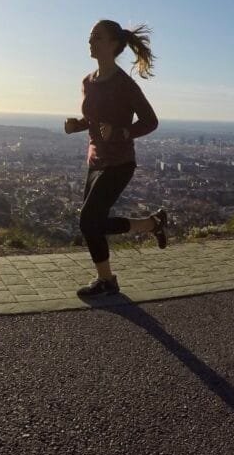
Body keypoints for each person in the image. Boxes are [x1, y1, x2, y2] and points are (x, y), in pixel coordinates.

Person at [63, 19, 167, 298]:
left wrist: (121, 132)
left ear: (113, 45)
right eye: (90, 37)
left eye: (96, 37)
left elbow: (150, 121)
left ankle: (107, 280)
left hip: (120, 163)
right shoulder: (88, 81)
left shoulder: (125, 85)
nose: (90, 42)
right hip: (94, 161)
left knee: (88, 221)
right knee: (93, 223)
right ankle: (150, 225)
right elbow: (94, 118)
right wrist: (79, 125)